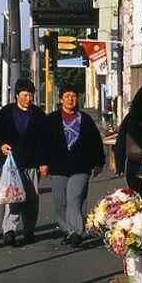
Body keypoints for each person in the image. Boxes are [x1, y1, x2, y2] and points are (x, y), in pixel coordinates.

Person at [41, 86, 105, 248]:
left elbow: (95, 142)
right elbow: (43, 143)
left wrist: (98, 163)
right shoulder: (52, 119)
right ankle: (68, 230)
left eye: (73, 96)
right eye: (67, 96)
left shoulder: (85, 119)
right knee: (61, 201)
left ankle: (76, 232)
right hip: (58, 166)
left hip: (81, 166)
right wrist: (42, 162)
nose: (70, 99)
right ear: (61, 99)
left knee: (74, 199)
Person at [0, 78, 47, 247]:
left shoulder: (38, 114)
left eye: (30, 95)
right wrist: (1, 145)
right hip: (10, 163)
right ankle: (9, 230)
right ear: (17, 96)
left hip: (32, 162)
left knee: (31, 197)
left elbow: (45, 140)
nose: (28, 99)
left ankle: (29, 229)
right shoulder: (6, 112)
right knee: (11, 196)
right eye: (25, 95)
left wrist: (43, 162)